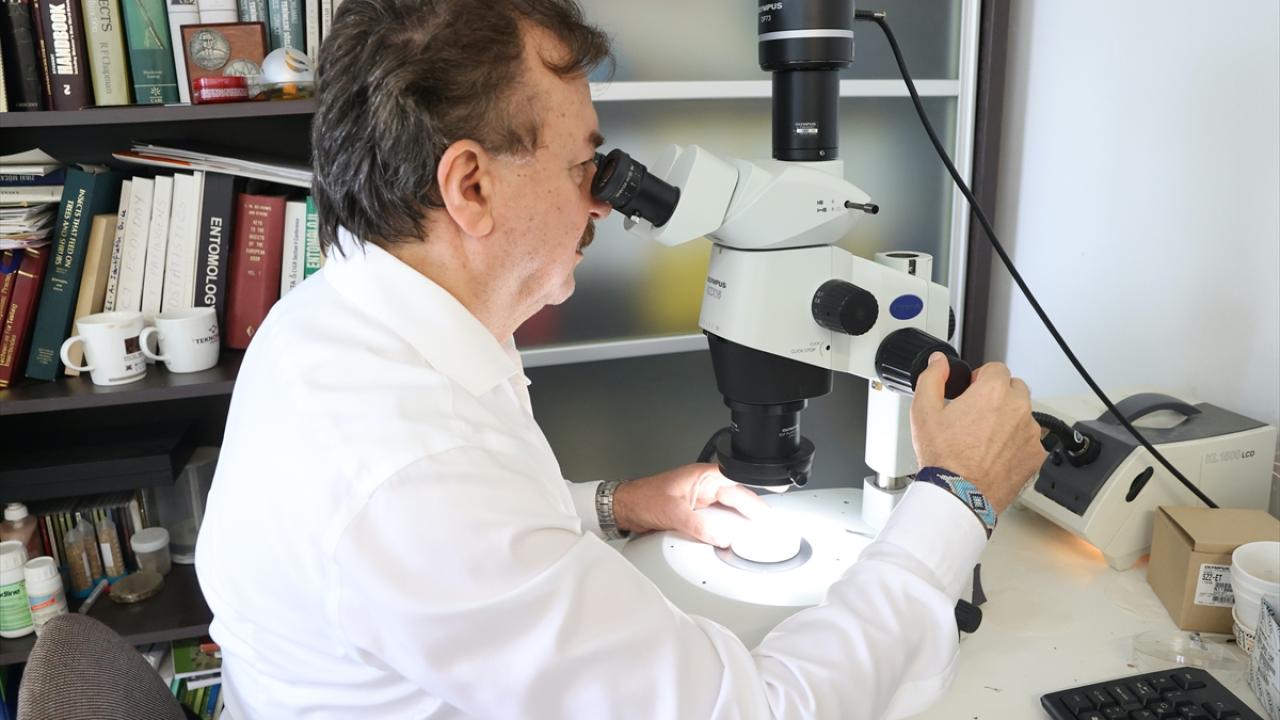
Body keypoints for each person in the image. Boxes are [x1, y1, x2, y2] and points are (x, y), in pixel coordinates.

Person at [194, 0, 1047, 717]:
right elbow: (758, 712)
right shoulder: (414, 470)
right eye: (582, 166)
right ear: (471, 186)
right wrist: (957, 498)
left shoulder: (335, 316)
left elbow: (482, 523)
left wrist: (622, 504)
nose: (603, 201)